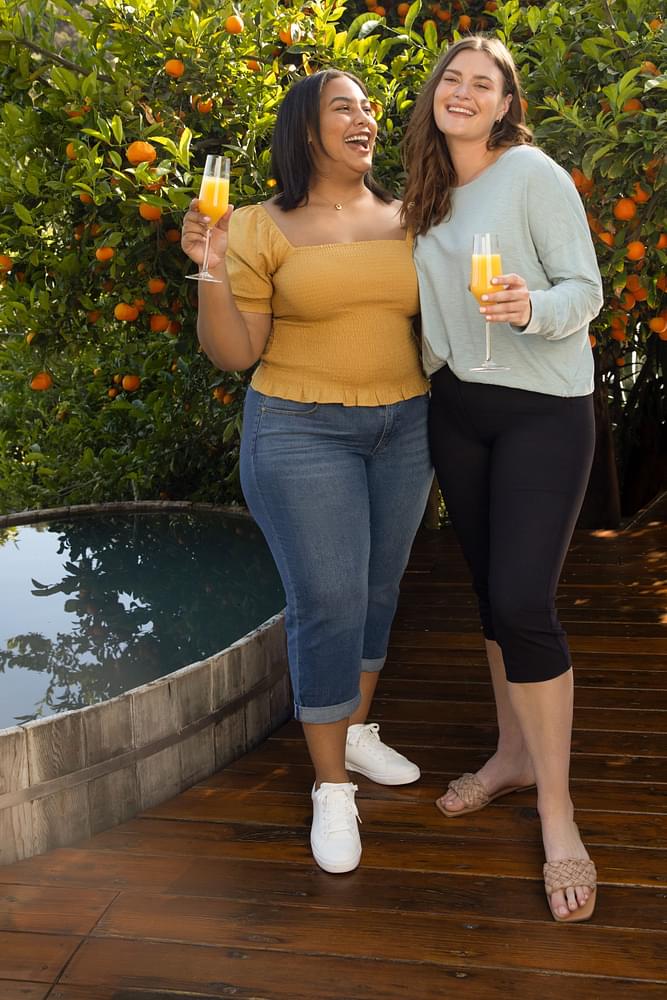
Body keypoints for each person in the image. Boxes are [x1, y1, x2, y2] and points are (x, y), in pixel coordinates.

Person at [181, 70, 433, 875]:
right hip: (299, 430)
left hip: (405, 427)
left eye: (367, 106)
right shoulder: (258, 225)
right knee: (328, 601)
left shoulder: (411, 215)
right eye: (343, 107)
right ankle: (331, 787)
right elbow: (234, 353)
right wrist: (210, 265)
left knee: (378, 590)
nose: (365, 117)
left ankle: (353, 733)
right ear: (304, 128)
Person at [402, 36, 603, 922]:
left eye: (482, 83)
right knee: (489, 596)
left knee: (524, 602)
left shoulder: (531, 174)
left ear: (504, 103)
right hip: (458, 408)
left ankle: (558, 814)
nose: (463, 91)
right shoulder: (425, 194)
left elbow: (584, 290)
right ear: (433, 95)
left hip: (541, 411)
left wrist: (530, 308)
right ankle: (511, 754)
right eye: (451, 78)